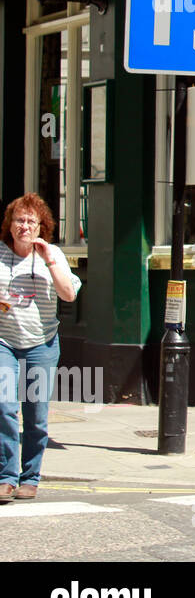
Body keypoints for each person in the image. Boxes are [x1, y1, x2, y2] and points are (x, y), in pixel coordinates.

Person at [0, 193, 82, 503]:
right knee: (4, 407)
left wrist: (48, 259)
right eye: (19, 220)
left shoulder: (53, 254)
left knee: (35, 414)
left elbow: (68, 295)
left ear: (41, 226)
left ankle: (30, 477)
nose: (24, 226)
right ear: (10, 224)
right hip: (4, 342)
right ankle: (6, 477)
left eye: (30, 221)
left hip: (41, 344)